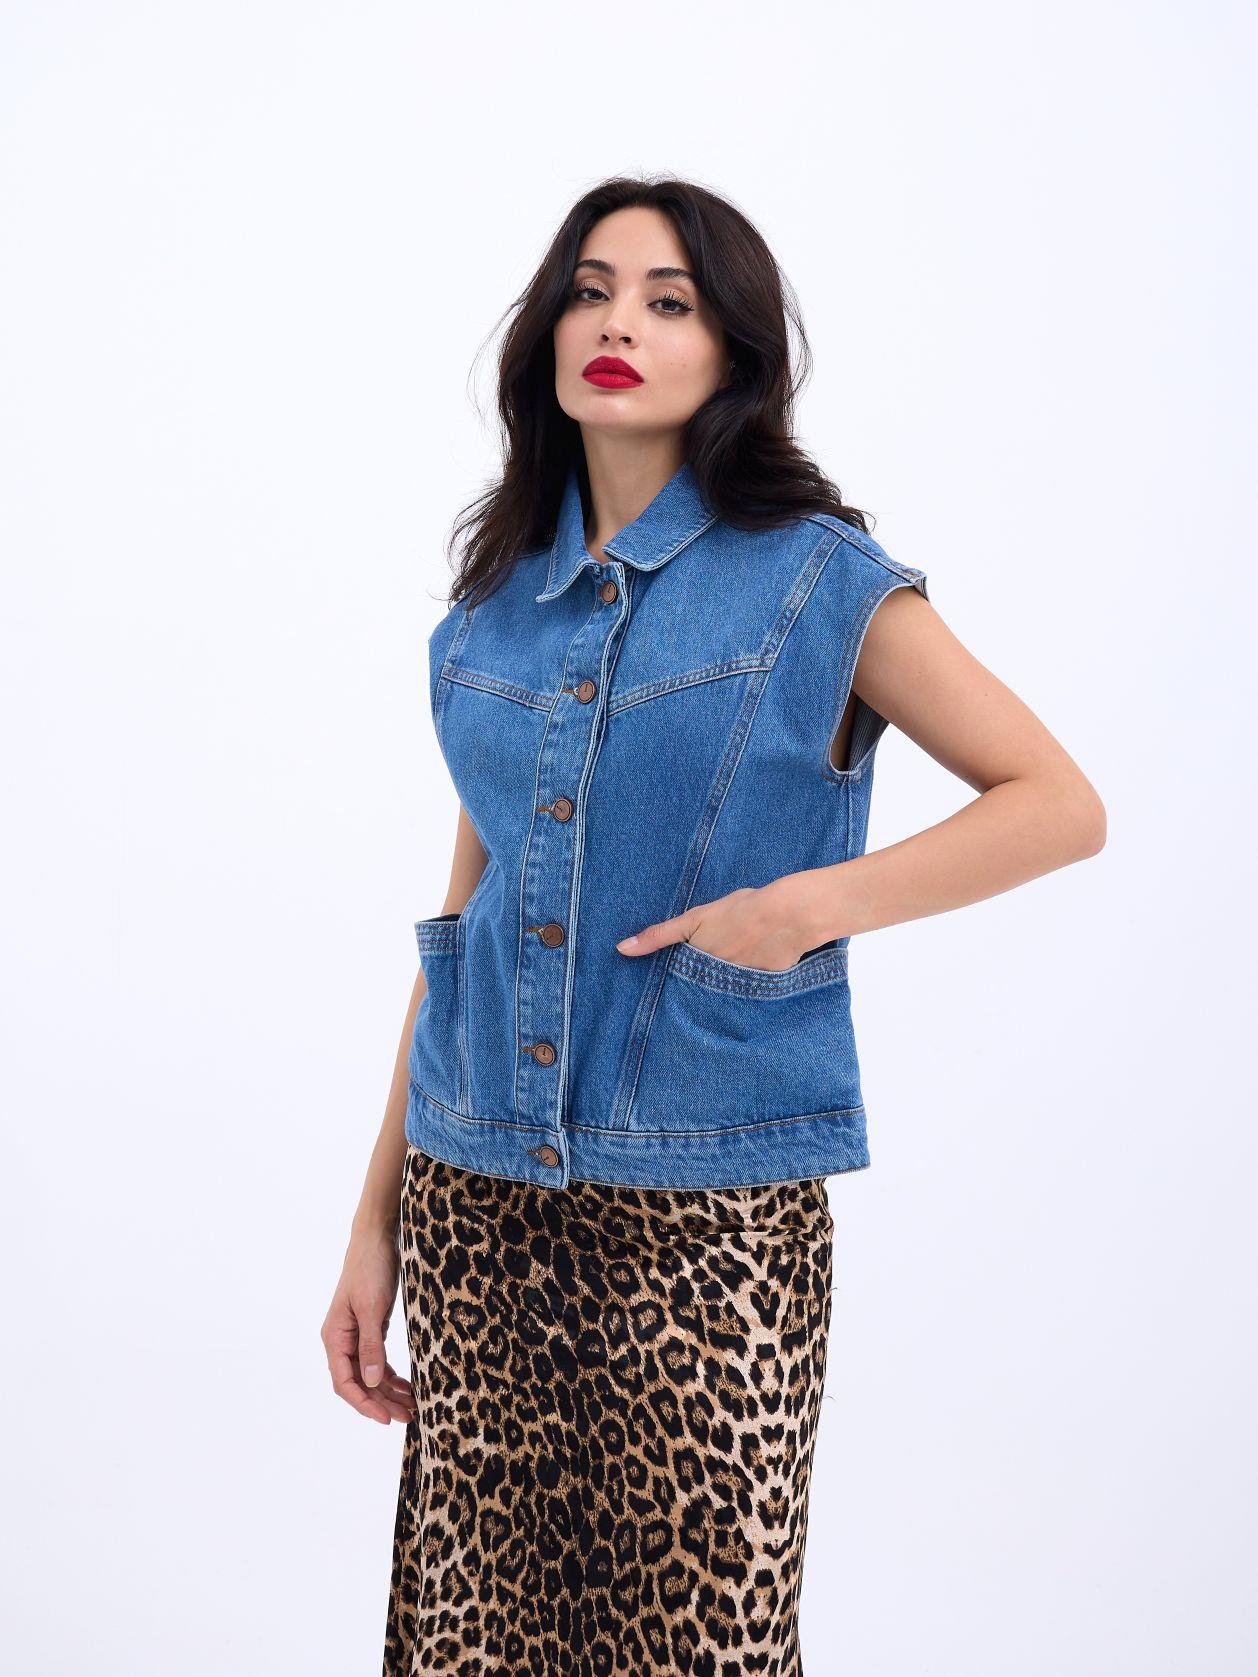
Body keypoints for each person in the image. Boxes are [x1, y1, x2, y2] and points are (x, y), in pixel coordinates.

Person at [321, 175, 1106, 1675]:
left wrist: (804, 906)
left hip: (710, 1213)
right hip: (477, 1202)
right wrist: (376, 1224)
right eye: (590, 289)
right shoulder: (491, 614)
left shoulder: (817, 581)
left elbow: (1057, 802)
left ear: (732, 354)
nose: (616, 322)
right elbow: (470, 926)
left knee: (702, 1644)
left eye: (667, 301)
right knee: (472, 1643)